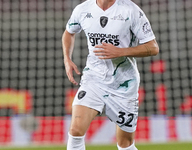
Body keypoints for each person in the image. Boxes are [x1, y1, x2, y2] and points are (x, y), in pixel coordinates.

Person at [62, 0, 159, 149]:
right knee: (75, 131)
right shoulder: (83, 9)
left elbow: (153, 47)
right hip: (93, 79)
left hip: (124, 84)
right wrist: (67, 59)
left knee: (125, 144)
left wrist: (121, 52)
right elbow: (69, 33)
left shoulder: (130, 10)